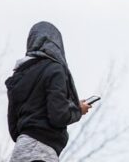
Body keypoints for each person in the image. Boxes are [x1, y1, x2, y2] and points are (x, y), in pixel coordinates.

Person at [5, 21, 93, 162]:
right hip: (42, 153)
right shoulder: (54, 69)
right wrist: (77, 109)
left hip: (19, 153)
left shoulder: (18, 76)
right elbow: (59, 115)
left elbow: (14, 128)